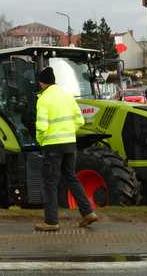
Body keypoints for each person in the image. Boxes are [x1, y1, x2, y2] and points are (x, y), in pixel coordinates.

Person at [34, 67, 99, 232]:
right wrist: (68, 134)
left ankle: (51, 221)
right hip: (70, 143)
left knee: (50, 183)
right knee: (71, 178)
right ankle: (88, 212)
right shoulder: (67, 96)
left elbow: (41, 125)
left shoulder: (43, 99)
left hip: (52, 145)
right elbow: (80, 121)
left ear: (42, 82)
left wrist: (41, 141)